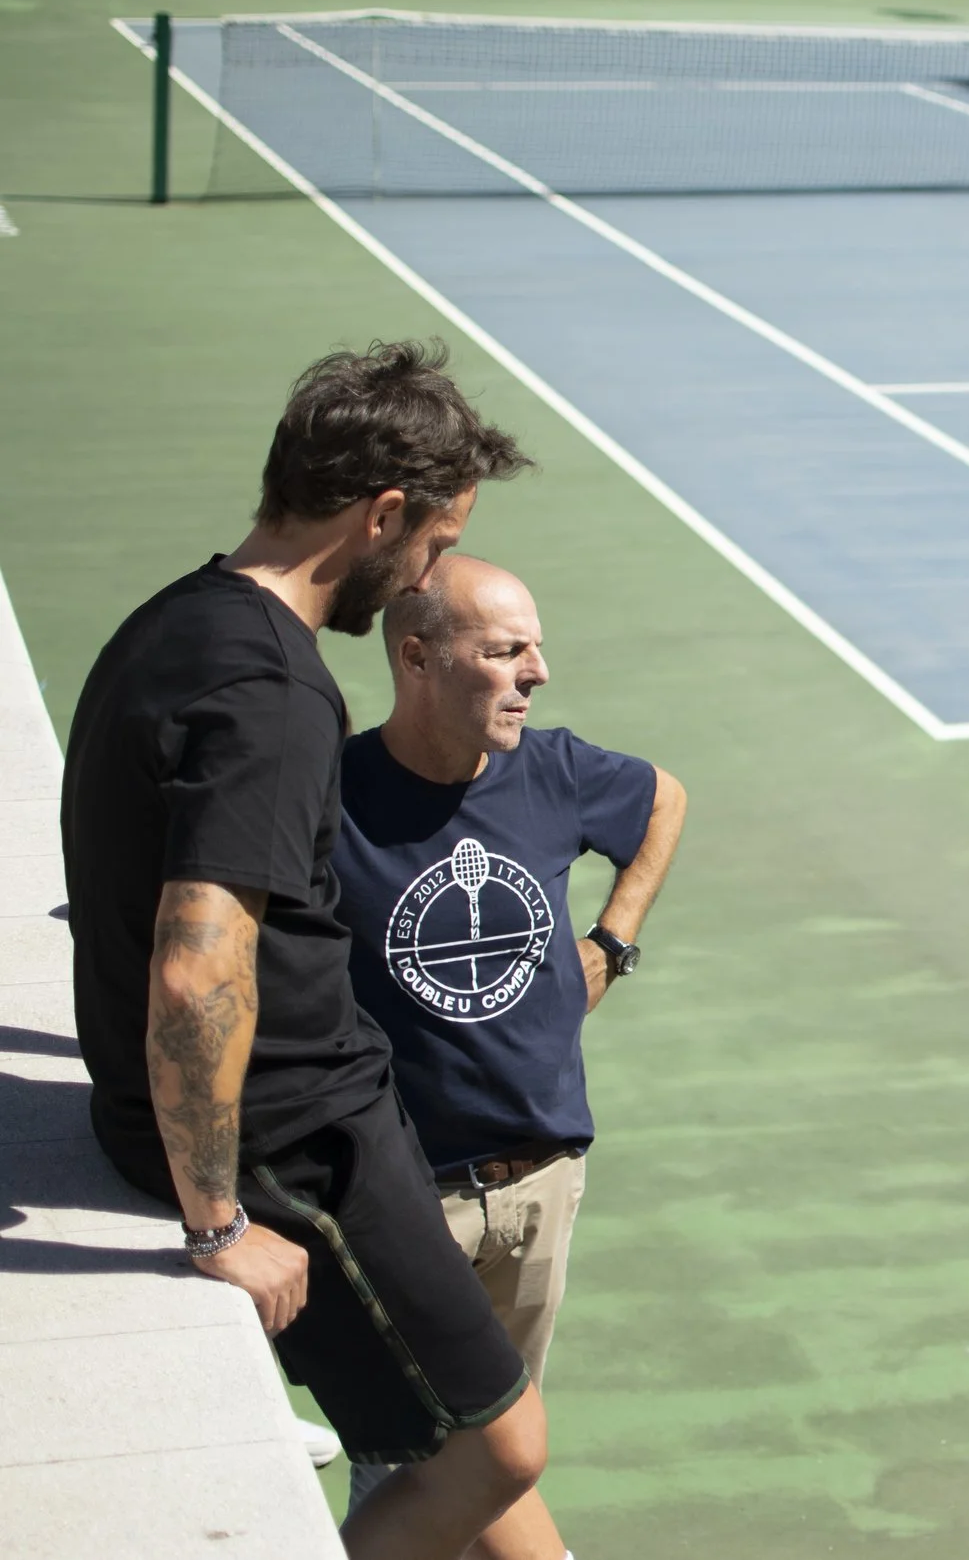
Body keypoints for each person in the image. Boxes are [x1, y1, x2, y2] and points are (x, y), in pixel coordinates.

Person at [61, 341, 544, 1560]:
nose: (429, 569)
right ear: (382, 513)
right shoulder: (278, 694)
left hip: (304, 1116)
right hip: (295, 1145)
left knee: (468, 1431)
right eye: (433, 542)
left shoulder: (176, 617)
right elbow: (196, 962)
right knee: (499, 1444)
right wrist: (220, 1219)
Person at [333, 555, 687, 1559]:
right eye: (504, 650)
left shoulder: (558, 769)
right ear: (416, 656)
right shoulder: (330, 796)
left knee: (498, 1445)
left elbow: (665, 798)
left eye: (534, 645)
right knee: (419, 1464)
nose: (537, 671)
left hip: (542, 1181)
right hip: (406, 1201)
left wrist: (611, 944)